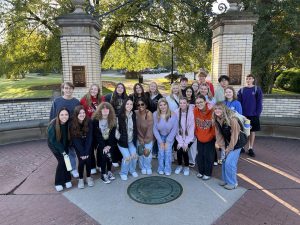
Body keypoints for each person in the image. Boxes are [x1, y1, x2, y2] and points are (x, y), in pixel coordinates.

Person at [49, 82, 80, 178]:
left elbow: (79, 116)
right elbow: (53, 117)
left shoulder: (76, 102)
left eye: (70, 88)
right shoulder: (57, 101)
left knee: (71, 151)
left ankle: (73, 168)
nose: (68, 90)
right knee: (63, 150)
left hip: (72, 130)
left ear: (73, 90)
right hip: (60, 130)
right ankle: (66, 169)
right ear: (62, 89)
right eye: (66, 88)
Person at [213, 102, 242, 190]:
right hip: (226, 143)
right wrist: (222, 146)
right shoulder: (217, 119)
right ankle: (225, 180)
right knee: (224, 161)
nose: (217, 110)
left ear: (224, 109)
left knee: (230, 163)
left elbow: (235, 135)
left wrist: (229, 148)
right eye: (215, 109)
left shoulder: (232, 119)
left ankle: (233, 183)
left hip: (236, 143)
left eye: (219, 108)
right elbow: (218, 134)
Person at [80, 83, 104, 175]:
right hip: (88, 126)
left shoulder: (102, 99)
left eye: (96, 89)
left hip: (99, 125)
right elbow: (81, 113)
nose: (94, 91)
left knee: (99, 146)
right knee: (90, 146)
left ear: (98, 91)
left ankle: (99, 164)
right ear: (89, 90)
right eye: (92, 89)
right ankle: (92, 166)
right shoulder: (84, 100)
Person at [237, 74, 263, 157]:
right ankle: (242, 147)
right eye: (247, 79)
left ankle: (250, 148)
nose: (248, 80)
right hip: (243, 115)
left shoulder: (257, 89)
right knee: (242, 131)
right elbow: (238, 103)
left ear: (253, 80)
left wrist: (257, 113)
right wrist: (239, 114)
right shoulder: (241, 90)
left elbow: (259, 103)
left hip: (253, 115)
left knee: (252, 132)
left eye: (250, 79)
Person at [47, 108, 72, 192]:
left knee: (66, 161)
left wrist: (66, 149)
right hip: (55, 146)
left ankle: (67, 179)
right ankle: (58, 182)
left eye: (66, 114)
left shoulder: (68, 123)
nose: (64, 116)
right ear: (58, 115)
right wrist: (62, 152)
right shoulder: (53, 125)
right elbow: (53, 141)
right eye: (62, 114)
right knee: (62, 162)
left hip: (64, 144)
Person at [70, 105, 94, 189]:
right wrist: (82, 153)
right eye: (80, 113)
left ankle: (88, 177)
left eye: (83, 112)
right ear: (76, 114)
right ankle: (80, 179)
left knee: (88, 161)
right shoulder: (72, 123)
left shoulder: (89, 121)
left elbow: (90, 137)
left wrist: (87, 151)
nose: (82, 114)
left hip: (88, 144)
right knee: (82, 161)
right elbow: (75, 139)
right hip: (78, 145)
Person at [92, 102, 117, 184]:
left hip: (109, 141)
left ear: (110, 110)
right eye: (103, 108)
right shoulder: (95, 120)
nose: (105, 110)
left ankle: (109, 171)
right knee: (103, 155)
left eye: (107, 108)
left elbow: (112, 134)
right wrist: (104, 146)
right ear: (100, 110)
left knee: (110, 155)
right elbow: (97, 135)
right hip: (100, 142)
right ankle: (103, 174)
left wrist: (109, 145)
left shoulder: (112, 120)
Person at [153, 98, 178, 175]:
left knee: (167, 152)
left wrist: (168, 141)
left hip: (169, 136)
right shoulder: (155, 114)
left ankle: (167, 169)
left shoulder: (173, 114)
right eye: (160, 105)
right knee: (161, 152)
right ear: (158, 106)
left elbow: (175, 128)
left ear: (167, 105)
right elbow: (154, 129)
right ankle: (160, 168)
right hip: (160, 136)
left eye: (164, 104)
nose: (163, 107)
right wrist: (160, 141)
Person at [115, 99, 138, 180]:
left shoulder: (133, 115)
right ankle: (123, 172)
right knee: (127, 157)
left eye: (131, 104)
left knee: (134, 155)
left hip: (131, 141)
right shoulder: (119, 116)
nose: (129, 106)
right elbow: (116, 130)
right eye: (127, 104)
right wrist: (120, 138)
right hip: (122, 141)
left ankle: (132, 170)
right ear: (124, 105)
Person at [194, 95, 216, 180]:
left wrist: (212, 136)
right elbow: (195, 123)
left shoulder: (212, 111)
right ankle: (201, 171)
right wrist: (196, 134)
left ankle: (207, 173)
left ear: (205, 102)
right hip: (199, 137)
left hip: (209, 138)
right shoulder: (195, 110)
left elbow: (214, 126)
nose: (199, 104)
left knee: (208, 156)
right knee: (200, 155)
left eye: (201, 102)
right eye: (197, 103)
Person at [174, 98, 195, 176]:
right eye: (181, 103)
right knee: (179, 149)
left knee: (185, 150)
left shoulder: (191, 113)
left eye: (184, 103)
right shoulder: (176, 112)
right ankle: (179, 165)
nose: (182, 104)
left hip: (189, 137)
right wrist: (180, 142)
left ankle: (186, 166)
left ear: (187, 104)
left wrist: (186, 142)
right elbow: (176, 128)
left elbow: (191, 129)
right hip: (179, 136)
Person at [135, 98, 154, 175]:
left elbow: (150, 128)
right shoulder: (135, 113)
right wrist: (140, 139)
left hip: (148, 138)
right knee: (140, 154)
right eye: (138, 105)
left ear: (145, 105)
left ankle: (148, 167)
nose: (140, 106)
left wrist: (146, 140)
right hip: (139, 137)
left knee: (147, 154)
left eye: (142, 104)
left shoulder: (149, 113)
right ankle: (142, 167)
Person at [145, 81, 163, 158]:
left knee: (156, 134)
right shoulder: (146, 95)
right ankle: (148, 150)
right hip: (147, 117)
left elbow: (162, 107)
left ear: (156, 87)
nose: (152, 87)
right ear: (149, 87)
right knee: (148, 134)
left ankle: (155, 152)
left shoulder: (159, 96)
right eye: (151, 86)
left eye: (154, 86)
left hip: (156, 117)